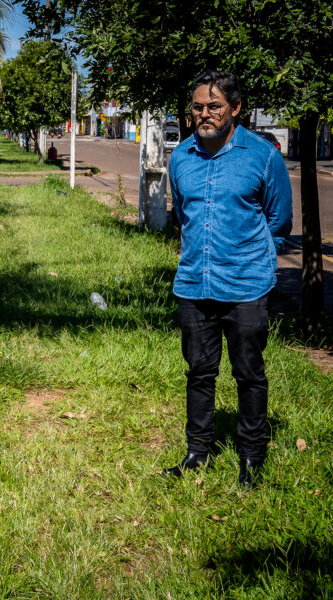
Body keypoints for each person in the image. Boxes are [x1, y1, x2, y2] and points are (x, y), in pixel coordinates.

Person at [163, 70, 291, 489]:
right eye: (197, 107)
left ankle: (251, 459)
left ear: (235, 109)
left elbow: (279, 221)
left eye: (214, 106)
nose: (204, 114)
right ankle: (197, 452)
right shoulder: (180, 157)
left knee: (249, 372)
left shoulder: (263, 156)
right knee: (199, 372)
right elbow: (184, 214)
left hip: (247, 286)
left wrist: (255, 258)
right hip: (194, 286)